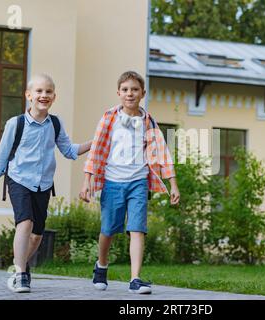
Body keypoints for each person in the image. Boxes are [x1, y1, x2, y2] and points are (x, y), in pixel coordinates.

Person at [0, 74, 92, 293]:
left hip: (43, 184)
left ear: (54, 97)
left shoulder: (55, 123)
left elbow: (69, 151)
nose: (44, 95)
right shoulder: (15, 124)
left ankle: (20, 267)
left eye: (48, 92)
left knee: (37, 236)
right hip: (18, 180)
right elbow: (2, 155)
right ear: (28, 95)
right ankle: (20, 275)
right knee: (25, 223)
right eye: (39, 91)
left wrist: (95, 142)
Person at [79, 71, 180, 294]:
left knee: (137, 229)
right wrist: (87, 180)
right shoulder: (109, 118)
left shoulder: (148, 121)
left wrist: (173, 183)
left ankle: (135, 279)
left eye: (134, 89)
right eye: (125, 90)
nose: (130, 94)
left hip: (138, 182)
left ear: (142, 93)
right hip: (113, 182)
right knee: (108, 230)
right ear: (118, 93)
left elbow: (162, 153)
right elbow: (96, 151)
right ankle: (101, 266)